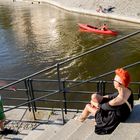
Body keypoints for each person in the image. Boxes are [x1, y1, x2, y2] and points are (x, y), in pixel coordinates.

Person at [75, 68, 133, 135]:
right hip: (124, 111)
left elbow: (102, 107)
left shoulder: (116, 101)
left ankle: (81, 119)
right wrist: (101, 97)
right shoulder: (127, 89)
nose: (113, 81)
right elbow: (113, 95)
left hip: (115, 118)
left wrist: (93, 103)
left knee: (88, 106)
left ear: (119, 84)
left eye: (114, 80)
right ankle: (90, 115)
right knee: (94, 97)